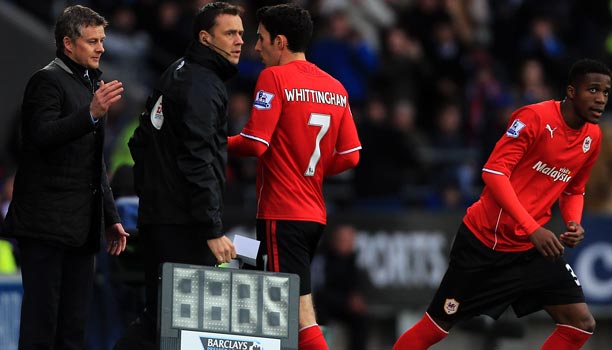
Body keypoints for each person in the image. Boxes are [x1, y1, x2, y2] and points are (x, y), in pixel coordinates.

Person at [393, 58, 612, 350]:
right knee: (435, 327)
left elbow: (574, 188)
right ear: (571, 91)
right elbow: (493, 173)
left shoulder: (593, 137)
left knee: (580, 324)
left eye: (606, 92)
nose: (600, 99)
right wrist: (532, 227)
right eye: (593, 90)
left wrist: (573, 221)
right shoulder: (534, 118)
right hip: (484, 244)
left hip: (530, 250)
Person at [228, 4, 362, 350]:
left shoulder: (274, 77)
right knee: (261, 291)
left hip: (280, 214)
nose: (255, 47)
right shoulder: (335, 87)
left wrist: (207, 142)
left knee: (298, 312)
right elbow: (351, 156)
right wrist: (311, 169)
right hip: (312, 215)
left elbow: (255, 144)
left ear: (280, 42)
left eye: (260, 39)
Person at [1, 5, 129, 349]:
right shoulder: (46, 81)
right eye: (92, 41)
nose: (101, 47)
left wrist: (110, 217)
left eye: (102, 40)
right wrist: (90, 113)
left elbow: (93, 162)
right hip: (45, 226)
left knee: (74, 328)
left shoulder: (91, 85)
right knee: (42, 325)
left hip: (81, 228)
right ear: (68, 44)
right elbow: (40, 136)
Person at [116, 2, 244, 349]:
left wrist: (154, 195)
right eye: (230, 33)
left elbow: (140, 141)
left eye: (242, 34)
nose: (239, 41)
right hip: (182, 223)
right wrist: (210, 227)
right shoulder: (202, 85)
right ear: (205, 37)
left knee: (162, 318)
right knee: (172, 321)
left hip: (165, 216)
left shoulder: (178, 71)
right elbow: (197, 159)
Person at [313, 224, 369, 350]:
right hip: (323, 305)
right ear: (334, 240)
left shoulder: (354, 260)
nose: (347, 244)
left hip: (344, 306)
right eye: (343, 240)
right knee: (318, 317)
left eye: (350, 241)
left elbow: (361, 286)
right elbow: (318, 290)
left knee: (361, 319)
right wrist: (345, 301)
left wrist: (357, 299)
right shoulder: (322, 259)